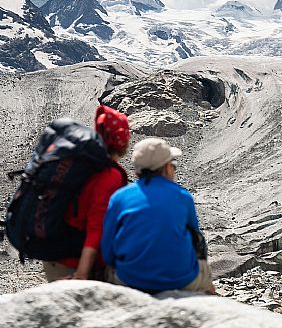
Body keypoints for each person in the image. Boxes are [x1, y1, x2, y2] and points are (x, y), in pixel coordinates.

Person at [101, 137, 215, 294]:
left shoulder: (119, 198)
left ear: (137, 170)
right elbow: (197, 241)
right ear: (167, 168)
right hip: (180, 280)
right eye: (172, 165)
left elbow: (107, 250)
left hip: (130, 280)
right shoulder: (182, 196)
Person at [43, 104, 130, 282]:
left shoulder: (81, 162)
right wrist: (82, 273)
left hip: (54, 255)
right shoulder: (110, 175)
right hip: (75, 263)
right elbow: (96, 225)